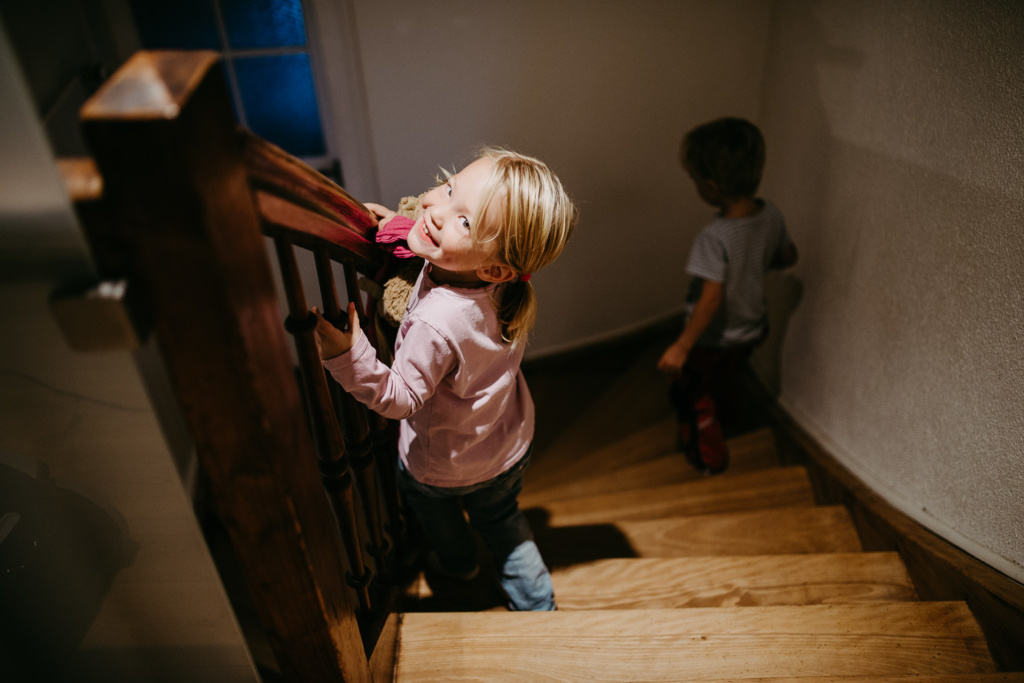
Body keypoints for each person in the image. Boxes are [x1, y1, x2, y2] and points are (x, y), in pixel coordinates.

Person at [314, 148, 577, 611]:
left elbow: (398, 399)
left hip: (442, 466)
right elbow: (434, 252)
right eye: (450, 187)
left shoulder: (436, 321)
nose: (434, 210)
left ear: (494, 266)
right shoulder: (505, 287)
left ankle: (459, 564)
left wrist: (346, 356)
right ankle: (538, 604)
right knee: (503, 521)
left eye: (466, 221)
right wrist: (399, 227)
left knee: (439, 520)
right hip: (507, 446)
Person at [657, 117, 798, 474]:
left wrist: (682, 346)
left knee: (691, 395)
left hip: (713, 340)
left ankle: (709, 458)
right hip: (754, 326)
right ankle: (730, 415)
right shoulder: (771, 215)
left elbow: (710, 300)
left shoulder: (714, 237)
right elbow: (787, 256)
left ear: (710, 187)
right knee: (730, 377)